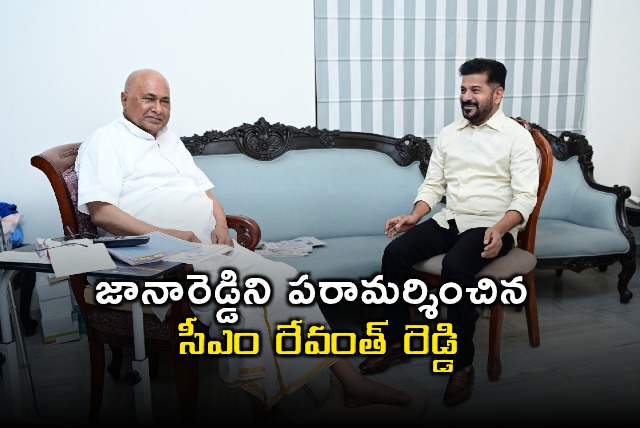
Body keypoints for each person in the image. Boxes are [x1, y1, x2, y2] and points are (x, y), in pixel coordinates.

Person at [75, 68, 412, 415]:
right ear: (124, 99)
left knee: (286, 281)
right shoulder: (105, 141)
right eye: (149, 99)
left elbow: (206, 194)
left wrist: (221, 225)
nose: (158, 109)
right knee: (252, 297)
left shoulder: (169, 140)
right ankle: (278, 405)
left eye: (165, 101)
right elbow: (102, 213)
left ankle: (349, 384)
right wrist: (169, 235)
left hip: (207, 248)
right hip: (157, 259)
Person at [357, 58, 539, 406]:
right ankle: (395, 342)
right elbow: (433, 186)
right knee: (395, 253)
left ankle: (462, 365)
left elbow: (524, 197)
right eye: (463, 89)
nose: (466, 97)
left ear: (497, 94)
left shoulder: (517, 138)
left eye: (475, 90)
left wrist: (502, 229)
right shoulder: (448, 134)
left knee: (456, 266)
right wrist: (414, 216)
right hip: (451, 219)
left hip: (492, 224)